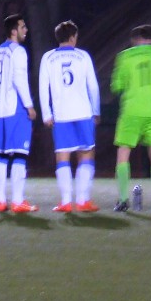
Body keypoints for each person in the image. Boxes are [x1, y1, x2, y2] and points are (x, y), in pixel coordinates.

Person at [110, 25, 151, 213]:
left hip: (131, 110)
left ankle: (123, 200)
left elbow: (117, 86)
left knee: (123, 153)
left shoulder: (124, 56)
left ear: (134, 40)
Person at [38, 20, 101, 213]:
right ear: (73, 37)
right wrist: (96, 111)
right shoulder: (83, 56)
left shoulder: (48, 57)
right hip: (83, 111)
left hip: (61, 113)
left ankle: (65, 202)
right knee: (86, 153)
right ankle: (83, 200)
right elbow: (93, 86)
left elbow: (43, 87)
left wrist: (46, 113)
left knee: (62, 155)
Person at [0, 14, 39, 214]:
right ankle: (18, 201)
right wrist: (29, 105)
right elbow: (19, 79)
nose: (26, 30)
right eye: (22, 27)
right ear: (13, 31)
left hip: (2, 109)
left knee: (3, 155)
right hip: (16, 108)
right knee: (20, 153)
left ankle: (1, 201)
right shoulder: (18, 51)